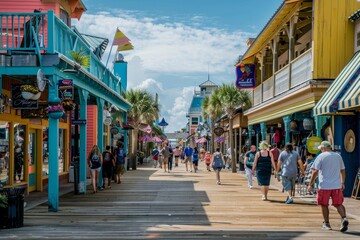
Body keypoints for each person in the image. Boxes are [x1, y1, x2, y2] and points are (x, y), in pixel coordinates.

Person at [308, 141, 349, 232]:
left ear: (323, 148)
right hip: (337, 186)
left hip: (324, 186)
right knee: (338, 204)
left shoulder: (321, 156)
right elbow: (343, 170)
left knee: (324, 204)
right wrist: (342, 182)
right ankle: (344, 218)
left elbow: (315, 171)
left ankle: (326, 223)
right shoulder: (338, 156)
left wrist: (310, 184)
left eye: (321, 149)